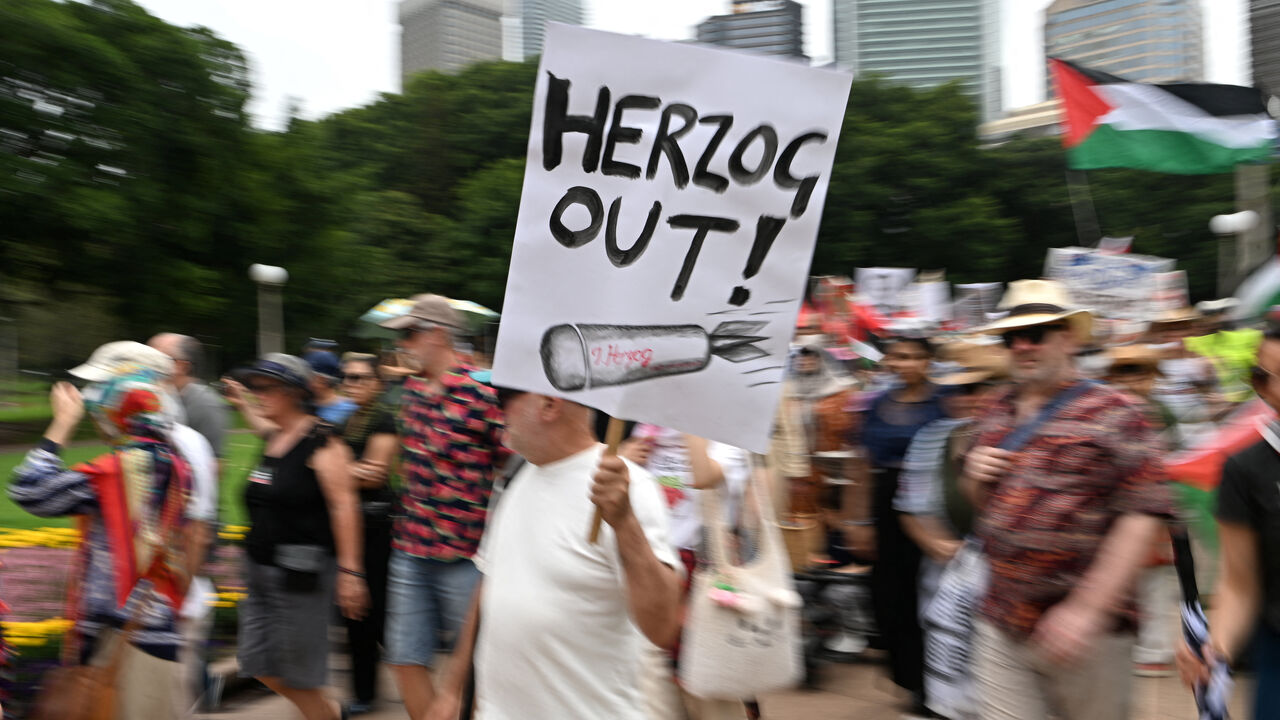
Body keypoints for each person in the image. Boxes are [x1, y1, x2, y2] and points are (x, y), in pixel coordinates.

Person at [962, 280, 1173, 720]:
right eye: (1011, 337)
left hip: (1090, 635)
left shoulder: (1119, 412)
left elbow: (1144, 513)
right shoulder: (996, 409)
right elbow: (983, 509)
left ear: (1069, 338)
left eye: (1035, 334)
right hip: (1001, 618)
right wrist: (973, 476)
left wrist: (1086, 610)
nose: (1021, 346)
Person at [426, 389, 682, 720]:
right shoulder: (516, 475)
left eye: (505, 398)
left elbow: (661, 628)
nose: (496, 409)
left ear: (549, 404)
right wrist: (453, 690)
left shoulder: (630, 486)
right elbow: (489, 586)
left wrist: (624, 523)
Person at [11, 362, 193, 719]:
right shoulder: (177, 465)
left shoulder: (116, 470)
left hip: (120, 636)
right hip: (159, 626)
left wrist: (63, 422)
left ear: (116, 415)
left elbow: (29, 489)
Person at [376, 294, 507, 720]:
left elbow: (510, 463)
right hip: (410, 549)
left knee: (476, 668)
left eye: (411, 334)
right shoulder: (409, 391)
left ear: (436, 334)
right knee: (402, 657)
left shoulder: (481, 392)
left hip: (466, 556)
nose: (405, 345)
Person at [225, 353, 368, 720]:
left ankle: (326, 715)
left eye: (264, 387)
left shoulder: (322, 442)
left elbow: (344, 506)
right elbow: (259, 420)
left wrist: (351, 574)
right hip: (260, 570)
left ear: (292, 392)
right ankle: (329, 713)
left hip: (301, 575)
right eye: (253, 387)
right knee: (257, 663)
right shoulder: (275, 436)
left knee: (301, 677)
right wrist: (241, 400)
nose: (257, 393)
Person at [893, 341, 1008, 720]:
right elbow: (908, 506)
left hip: (1009, 579)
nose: (967, 398)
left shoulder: (1023, 437)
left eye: (979, 388)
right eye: (959, 389)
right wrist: (935, 543)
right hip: (946, 578)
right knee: (950, 673)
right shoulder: (933, 437)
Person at [1176, 324, 1280, 718]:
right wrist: (1214, 650)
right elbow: (1239, 584)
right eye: (1258, 376)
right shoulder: (1245, 470)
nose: (1263, 388)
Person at [848, 333, 945, 717]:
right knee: (889, 600)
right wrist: (857, 521)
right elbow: (861, 464)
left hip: (929, 507)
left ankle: (930, 686)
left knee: (930, 597)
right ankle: (908, 679)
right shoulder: (875, 406)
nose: (901, 363)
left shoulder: (944, 403)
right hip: (885, 507)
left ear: (927, 362)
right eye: (895, 357)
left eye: (910, 357)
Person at [1101, 344, 1180, 679]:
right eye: (1126, 372)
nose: (1133, 381)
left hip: (1155, 511)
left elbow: (1175, 462)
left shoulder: (1162, 413)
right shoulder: (1104, 411)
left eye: (1141, 372)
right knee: (1119, 579)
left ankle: (1155, 648)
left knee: (1155, 584)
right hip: (1114, 511)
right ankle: (1131, 644)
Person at [336, 353, 399, 715]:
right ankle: (363, 693)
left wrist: (336, 469)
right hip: (350, 524)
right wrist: (351, 469)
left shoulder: (383, 419)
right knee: (354, 614)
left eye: (360, 378)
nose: (352, 383)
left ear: (378, 384)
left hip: (375, 526)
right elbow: (359, 469)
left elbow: (376, 475)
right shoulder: (348, 420)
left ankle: (412, 674)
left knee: (377, 610)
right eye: (348, 377)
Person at [148, 333, 228, 458]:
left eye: (155, 359)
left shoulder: (204, 403)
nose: (146, 365)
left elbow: (214, 465)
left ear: (181, 366)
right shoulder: (151, 396)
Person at [304, 349, 359, 425]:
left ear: (321, 379)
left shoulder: (349, 410)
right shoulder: (301, 403)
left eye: (307, 375)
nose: (304, 379)